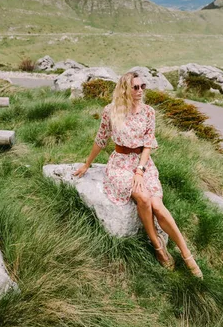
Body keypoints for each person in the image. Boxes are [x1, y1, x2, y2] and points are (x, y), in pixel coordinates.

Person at [74, 71, 203, 278]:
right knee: (142, 197)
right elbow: (101, 140)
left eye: (143, 86)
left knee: (158, 207)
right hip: (120, 164)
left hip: (143, 165)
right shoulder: (110, 111)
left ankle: (187, 254)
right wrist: (87, 164)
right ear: (125, 89)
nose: (140, 91)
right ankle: (157, 245)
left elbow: (148, 144)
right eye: (136, 87)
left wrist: (140, 171)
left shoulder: (149, 112)